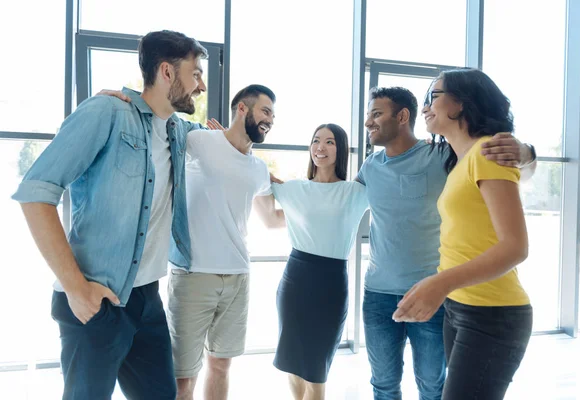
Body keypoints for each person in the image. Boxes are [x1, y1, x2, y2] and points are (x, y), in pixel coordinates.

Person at [12, 30, 208, 400]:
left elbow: (226, 140)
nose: (200, 85)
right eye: (195, 72)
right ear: (167, 72)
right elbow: (36, 193)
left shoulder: (177, 131)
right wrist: (76, 288)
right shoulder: (107, 112)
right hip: (95, 300)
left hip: (147, 300)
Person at [358, 86, 536, 400]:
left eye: (376, 113)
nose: (368, 122)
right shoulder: (370, 167)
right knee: (383, 386)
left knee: (433, 387)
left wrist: (525, 151)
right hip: (379, 294)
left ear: (402, 117)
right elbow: (335, 201)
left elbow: (509, 167)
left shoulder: (442, 155)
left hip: (435, 293)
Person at [168, 84, 277, 400]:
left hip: (238, 276)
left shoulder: (258, 168)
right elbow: (160, 130)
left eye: (273, 115)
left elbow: (271, 217)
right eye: (265, 111)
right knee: (183, 378)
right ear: (242, 108)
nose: (270, 120)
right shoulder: (201, 140)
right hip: (193, 276)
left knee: (221, 366)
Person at [253, 123, 368, 400]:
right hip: (296, 281)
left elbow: (392, 190)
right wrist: (243, 157)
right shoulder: (294, 188)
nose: (321, 147)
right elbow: (268, 214)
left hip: (330, 284)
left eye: (330, 142)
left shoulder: (355, 192)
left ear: (340, 149)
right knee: (292, 364)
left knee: (316, 368)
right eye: (316, 140)